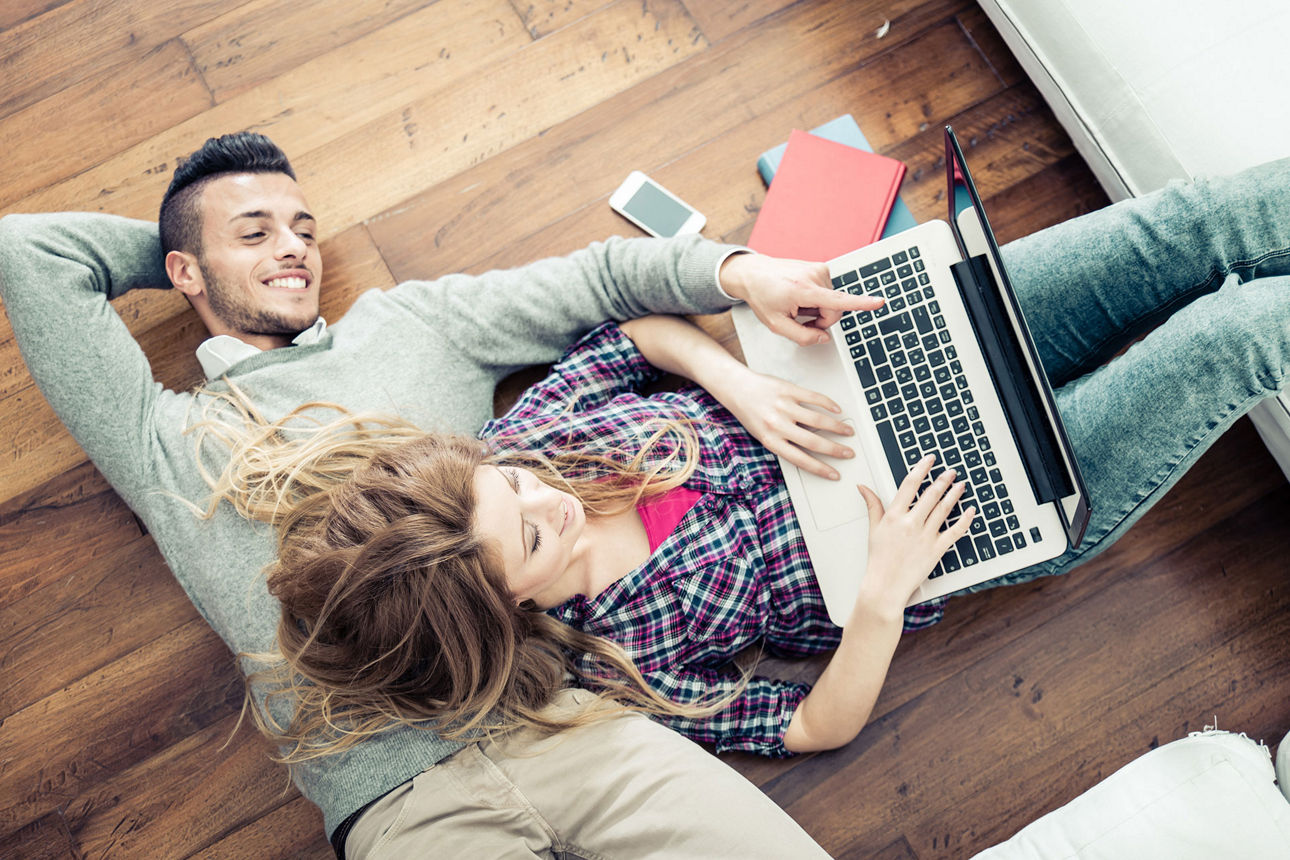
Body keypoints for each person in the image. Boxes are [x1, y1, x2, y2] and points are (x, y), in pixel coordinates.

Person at [208, 153, 1290, 799]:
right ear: (509, 612)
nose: (545, 496)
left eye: (514, 486)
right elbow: (812, 725)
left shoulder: (530, 442)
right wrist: (880, 593)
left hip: (898, 348)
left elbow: (634, 324)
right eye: (534, 536)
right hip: (968, 514)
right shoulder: (610, 674)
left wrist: (738, 380)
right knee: (1236, 335)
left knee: (1185, 228)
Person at [0, 132, 872, 858]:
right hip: (399, 803)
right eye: (255, 232)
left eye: (303, 227)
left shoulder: (410, 326)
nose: (293, 246)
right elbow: (28, 253)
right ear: (183, 270)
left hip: (565, 720)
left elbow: (600, 283)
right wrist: (180, 243)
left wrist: (735, 271)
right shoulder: (166, 441)